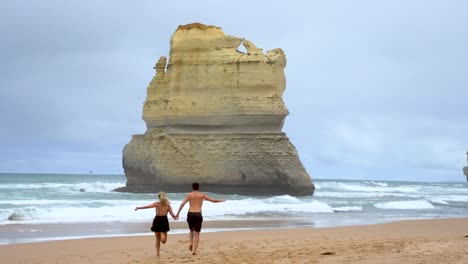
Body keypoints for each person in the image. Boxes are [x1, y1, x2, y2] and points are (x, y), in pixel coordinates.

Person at [176, 182, 225, 255]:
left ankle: (190, 242)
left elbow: (182, 204)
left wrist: (177, 213)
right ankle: (194, 250)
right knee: (197, 233)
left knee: (191, 230)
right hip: (198, 213)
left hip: (190, 213)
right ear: (198, 187)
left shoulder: (189, 195)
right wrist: (221, 200)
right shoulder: (202, 195)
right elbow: (213, 200)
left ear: (192, 187)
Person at [135, 192, 177, 257]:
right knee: (164, 241)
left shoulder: (157, 204)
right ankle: (161, 234)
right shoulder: (168, 206)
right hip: (164, 221)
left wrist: (139, 208)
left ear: (159, 198)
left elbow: (148, 206)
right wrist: (176, 217)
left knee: (157, 239)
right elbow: (173, 216)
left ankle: (158, 254)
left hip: (157, 220)